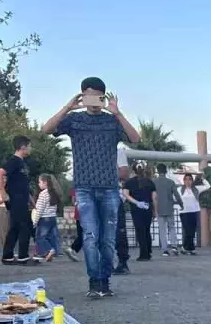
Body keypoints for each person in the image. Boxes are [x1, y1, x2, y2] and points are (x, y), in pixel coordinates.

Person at [43, 77, 140, 299]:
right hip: (84, 188)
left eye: (97, 95)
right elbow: (46, 129)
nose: (93, 100)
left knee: (107, 239)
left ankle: (104, 281)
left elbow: (135, 138)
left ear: (103, 97)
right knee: (89, 235)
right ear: (82, 96)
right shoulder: (74, 120)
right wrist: (68, 107)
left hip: (109, 189)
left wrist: (117, 112)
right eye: (88, 95)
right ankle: (94, 281)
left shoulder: (112, 121)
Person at [0, 136, 36, 265]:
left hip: (22, 198)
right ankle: (23, 257)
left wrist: (31, 200)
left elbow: (23, 184)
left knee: (15, 227)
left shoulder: (22, 163)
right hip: (16, 198)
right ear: (23, 147)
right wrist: (3, 193)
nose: (31, 149)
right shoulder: (14, 161)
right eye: (29, 146)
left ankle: (7, 256)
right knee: (25, 226)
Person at [123, 163, 156, 261]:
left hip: (136, 209)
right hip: (148, 208)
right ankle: (149, 252)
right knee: (146, 230)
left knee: (140, 231)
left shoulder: (129, 182)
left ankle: (143, 254)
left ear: (133, 171)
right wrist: (155, 211)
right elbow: (154, 198)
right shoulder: (150, 182)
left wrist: (136, 202)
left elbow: (125, 194)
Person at [34, 173, 62, 262]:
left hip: (44, 218)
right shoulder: (53, 193)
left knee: (40, 237)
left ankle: (47, 251)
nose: (39, 184)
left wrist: (35, 221)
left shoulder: (43, 194)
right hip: (52, 218)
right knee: (51, 236)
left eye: (40, 182)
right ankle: (52, 252)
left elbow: (39, 209)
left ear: (45, 182)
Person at [114, 160, 132, 274]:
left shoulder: (119, 152)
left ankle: (123, 263)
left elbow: (125, 173)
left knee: (119, 232)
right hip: (105, 195)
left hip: (114, 197)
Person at [179, 173, 201, 255]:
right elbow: (175, 197)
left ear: (192, 181)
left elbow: (208, 186)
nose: (188, 181)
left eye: (190, 179)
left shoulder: (196, 189)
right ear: (184, 181)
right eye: (186, 179)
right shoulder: (180, 189)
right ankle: (189, 248)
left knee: (192, 231)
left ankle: (186, 248)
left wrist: (202, 178)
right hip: (184, 212)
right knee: (188, 231)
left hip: (194, 211)